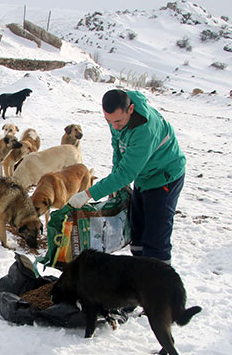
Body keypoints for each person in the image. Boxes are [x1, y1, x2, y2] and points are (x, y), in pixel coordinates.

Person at [68, 89, 186, 265]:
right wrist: (117, 182)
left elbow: (127, 173)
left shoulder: (145, 130)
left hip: (164, 178)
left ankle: (159, 284)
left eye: (117, 121)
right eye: (109, 121)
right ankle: (140, 277)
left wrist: (88, 194)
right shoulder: (117, 117)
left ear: (130, 109)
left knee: (155, 238)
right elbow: (118, 147)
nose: (114, 126)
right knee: (137, 233)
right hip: (144, 177)